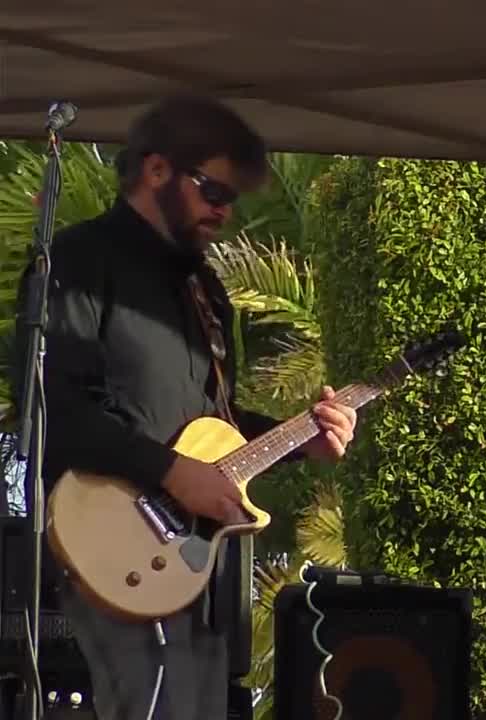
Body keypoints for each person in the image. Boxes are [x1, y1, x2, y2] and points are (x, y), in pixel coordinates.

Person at [10, 95, 358, 720]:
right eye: (212, 191)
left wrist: (301, 435)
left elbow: (216, 429)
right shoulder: (80, 262)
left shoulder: (206, 289)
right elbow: (54, 411)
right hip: (111, 539)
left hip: (200, 561)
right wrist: (170, 473)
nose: (224, 211)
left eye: (231, 198)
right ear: (156, 171)